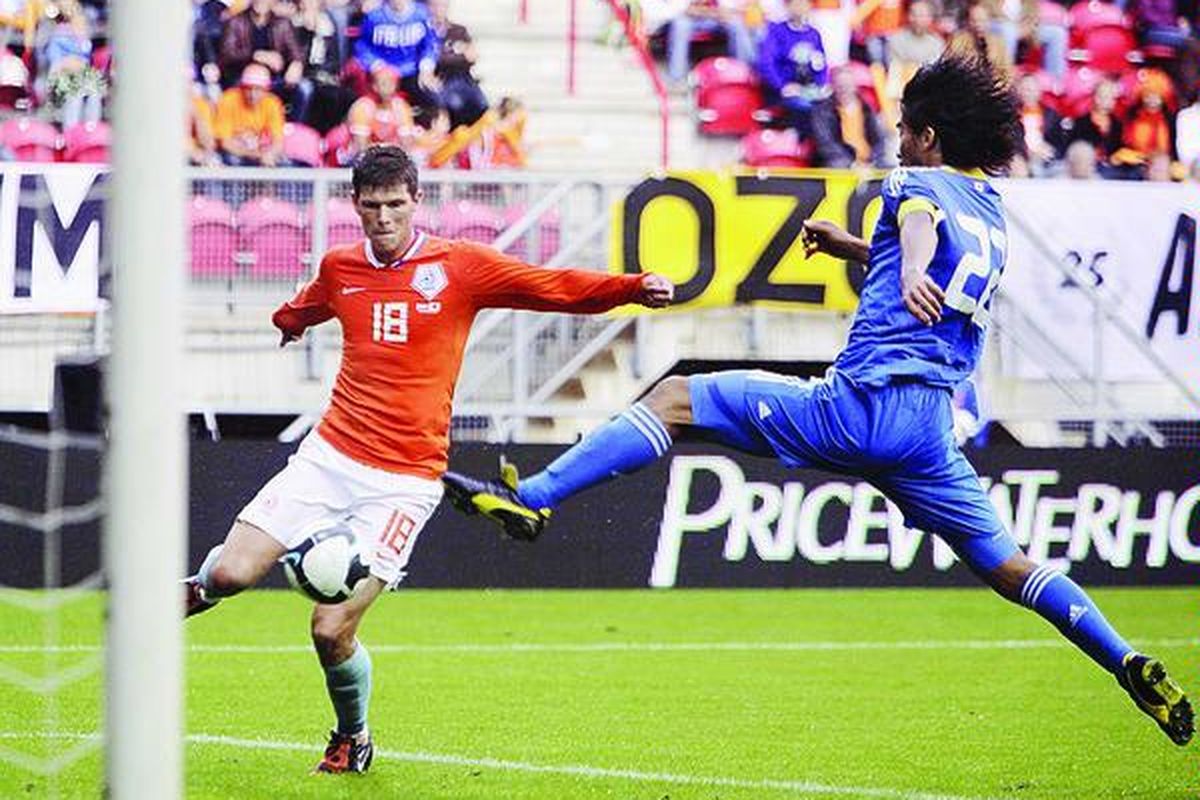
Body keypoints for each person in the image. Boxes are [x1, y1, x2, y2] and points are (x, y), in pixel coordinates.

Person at [442, 55, 1194, 749]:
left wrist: (908, 274)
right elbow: (921, 249)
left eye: (903, 128)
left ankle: (536, 497)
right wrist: (857, 251)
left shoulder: (914, 186)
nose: (896, 139)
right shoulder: (991, 210)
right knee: (1009, 565)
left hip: (860, 407)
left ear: (929, 136)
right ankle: (1124, 660)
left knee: (674, 397)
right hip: (931, 431)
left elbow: (918, 229)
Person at [182, 145, 674, 774]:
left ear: (416, 201)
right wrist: (290, 321)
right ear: (354, 206)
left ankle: (351, 736)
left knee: (329, 630)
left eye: (395, 204)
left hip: (405, 483)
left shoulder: (459, 267)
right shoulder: (341, 267)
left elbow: (546, 286)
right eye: (371, 206)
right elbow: (310, 301)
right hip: (328, 457)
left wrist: (632, 288)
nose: (384, 217)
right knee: (228, 576)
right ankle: (197, 588)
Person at [213, 63, 286, 166]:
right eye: (248, 88)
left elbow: (278, 141)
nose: (253, 94)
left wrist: (270, 154)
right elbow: (225, 142)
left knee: (282, 162)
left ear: (266, 90)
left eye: (258, 89)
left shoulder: (272, 103)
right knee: (232, 160)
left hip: (259, 149)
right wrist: (256, 155)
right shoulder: (228, 99)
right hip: (236, 152)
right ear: (241, 87)